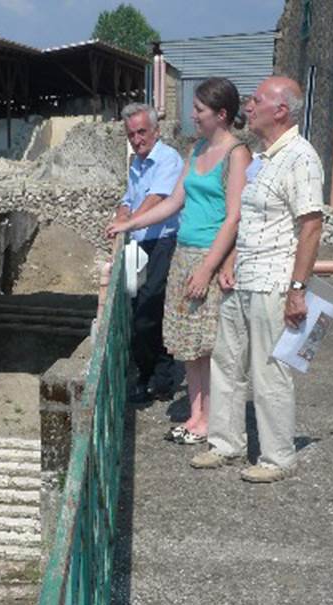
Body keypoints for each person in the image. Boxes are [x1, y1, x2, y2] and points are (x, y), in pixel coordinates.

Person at [191, 76, 323, 482]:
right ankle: (225, 443)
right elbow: (247, 218)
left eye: (256, 100)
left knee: (269, 371)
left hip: (273, 281)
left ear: (280, 110)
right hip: (243, 278)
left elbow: (311, 225)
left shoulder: (301, 157)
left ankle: (278, 457)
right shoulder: (264, 157)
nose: (248, 106)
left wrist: (297, 290)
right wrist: (230, 260)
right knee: (227, 363)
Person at [108, 79, 251, 444]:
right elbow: (173, 202)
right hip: (185, 253)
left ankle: (212, 420)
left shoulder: (236, 154)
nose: (193, 115)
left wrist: (208, 268)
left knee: (210, 344)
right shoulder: (197, 149)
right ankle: (196, 415)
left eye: (199, 110)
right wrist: (129, 224)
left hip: (209, 256)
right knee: (190, 343)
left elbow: (234, 217)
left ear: (221, 114)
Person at [109, 103, 183, 401]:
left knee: (150, 308)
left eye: (141, 132)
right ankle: (146, 373)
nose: (137, 139)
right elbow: (129, 199)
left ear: (156, 131)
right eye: (131, 134)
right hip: (138, 244)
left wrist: (127, 223)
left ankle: (161, 378)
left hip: (161, 242)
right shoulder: (137, 163)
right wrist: (122, 214)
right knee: (137, 306)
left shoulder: (168, 159)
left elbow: (157, 199)